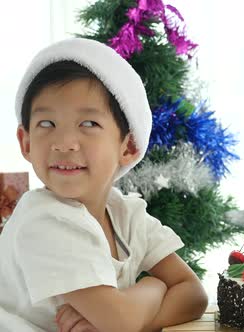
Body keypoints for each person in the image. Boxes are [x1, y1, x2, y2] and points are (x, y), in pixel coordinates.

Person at [0, 38, 208, 332]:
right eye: (47, 124)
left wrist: (129, 317)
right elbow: (121, 322)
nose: (64, 144)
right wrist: (153, 285)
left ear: (129, 145)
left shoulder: (125, 213)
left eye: (89, 124)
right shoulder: (44, 220)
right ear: (26, 142)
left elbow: (193, 294)